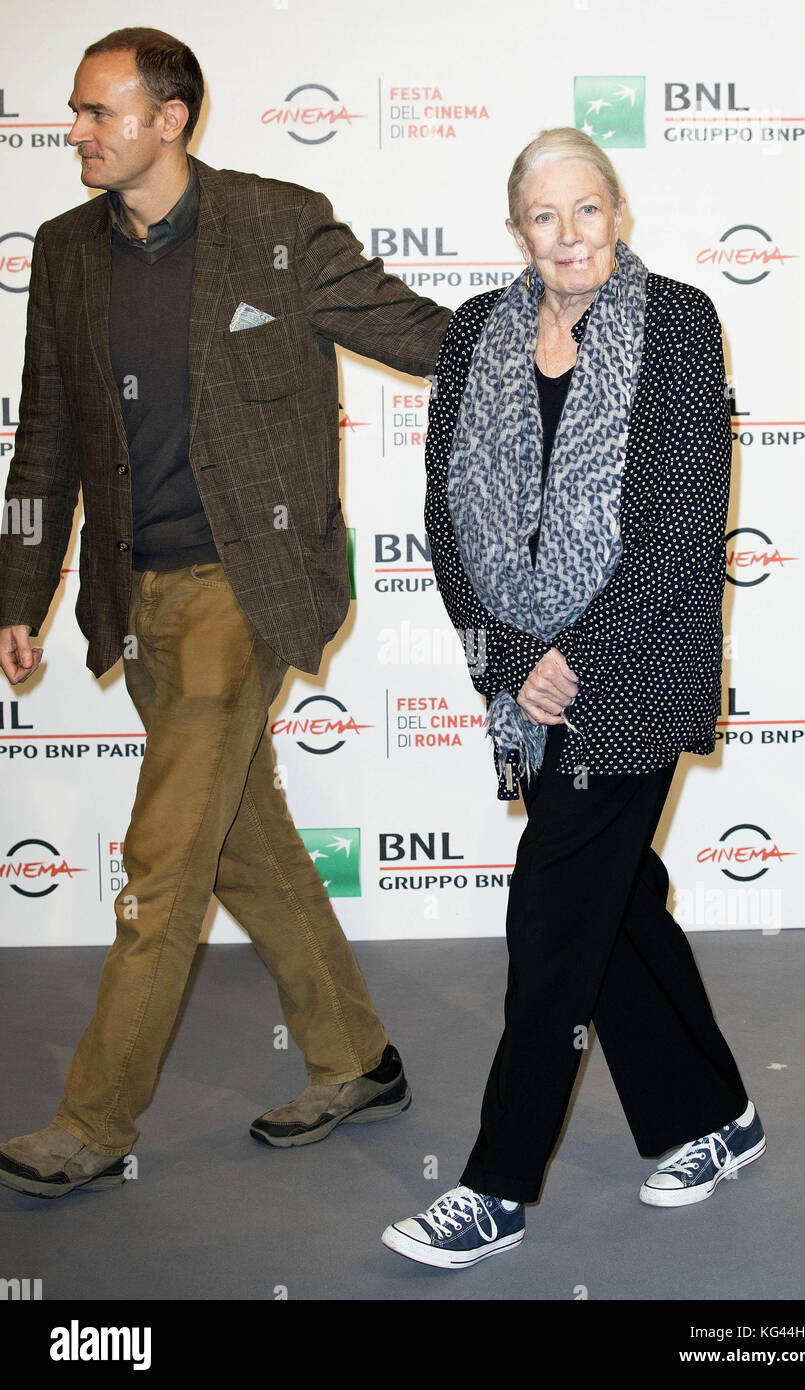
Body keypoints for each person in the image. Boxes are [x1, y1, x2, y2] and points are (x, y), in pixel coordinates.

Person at [0, 27, 451, 1199]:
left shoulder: (276, 221)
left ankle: (94, 1123)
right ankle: (357, 1059)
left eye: (101, 111)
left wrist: (566, 336)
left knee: (159, 871)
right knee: (245, 844)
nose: (78, 130)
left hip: (245, 587)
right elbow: (44, 432)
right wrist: (21, 588)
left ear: (171, 118)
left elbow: (413, 332)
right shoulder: (64, 251)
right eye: (76, 110)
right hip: (136, 594)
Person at [382, 128, 764, 1270]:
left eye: (587, 209)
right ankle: (716, 1115)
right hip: (524, 677)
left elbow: (680, 526)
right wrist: (508, 654)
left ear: (618, 212)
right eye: (545, 217)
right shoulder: (476, 338)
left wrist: (573, 658)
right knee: (615, 907)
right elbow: (447, 513)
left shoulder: (681, 323)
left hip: (637, 672)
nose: (570, 236)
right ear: (518, 232)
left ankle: (498, 1185)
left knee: (553, 911)